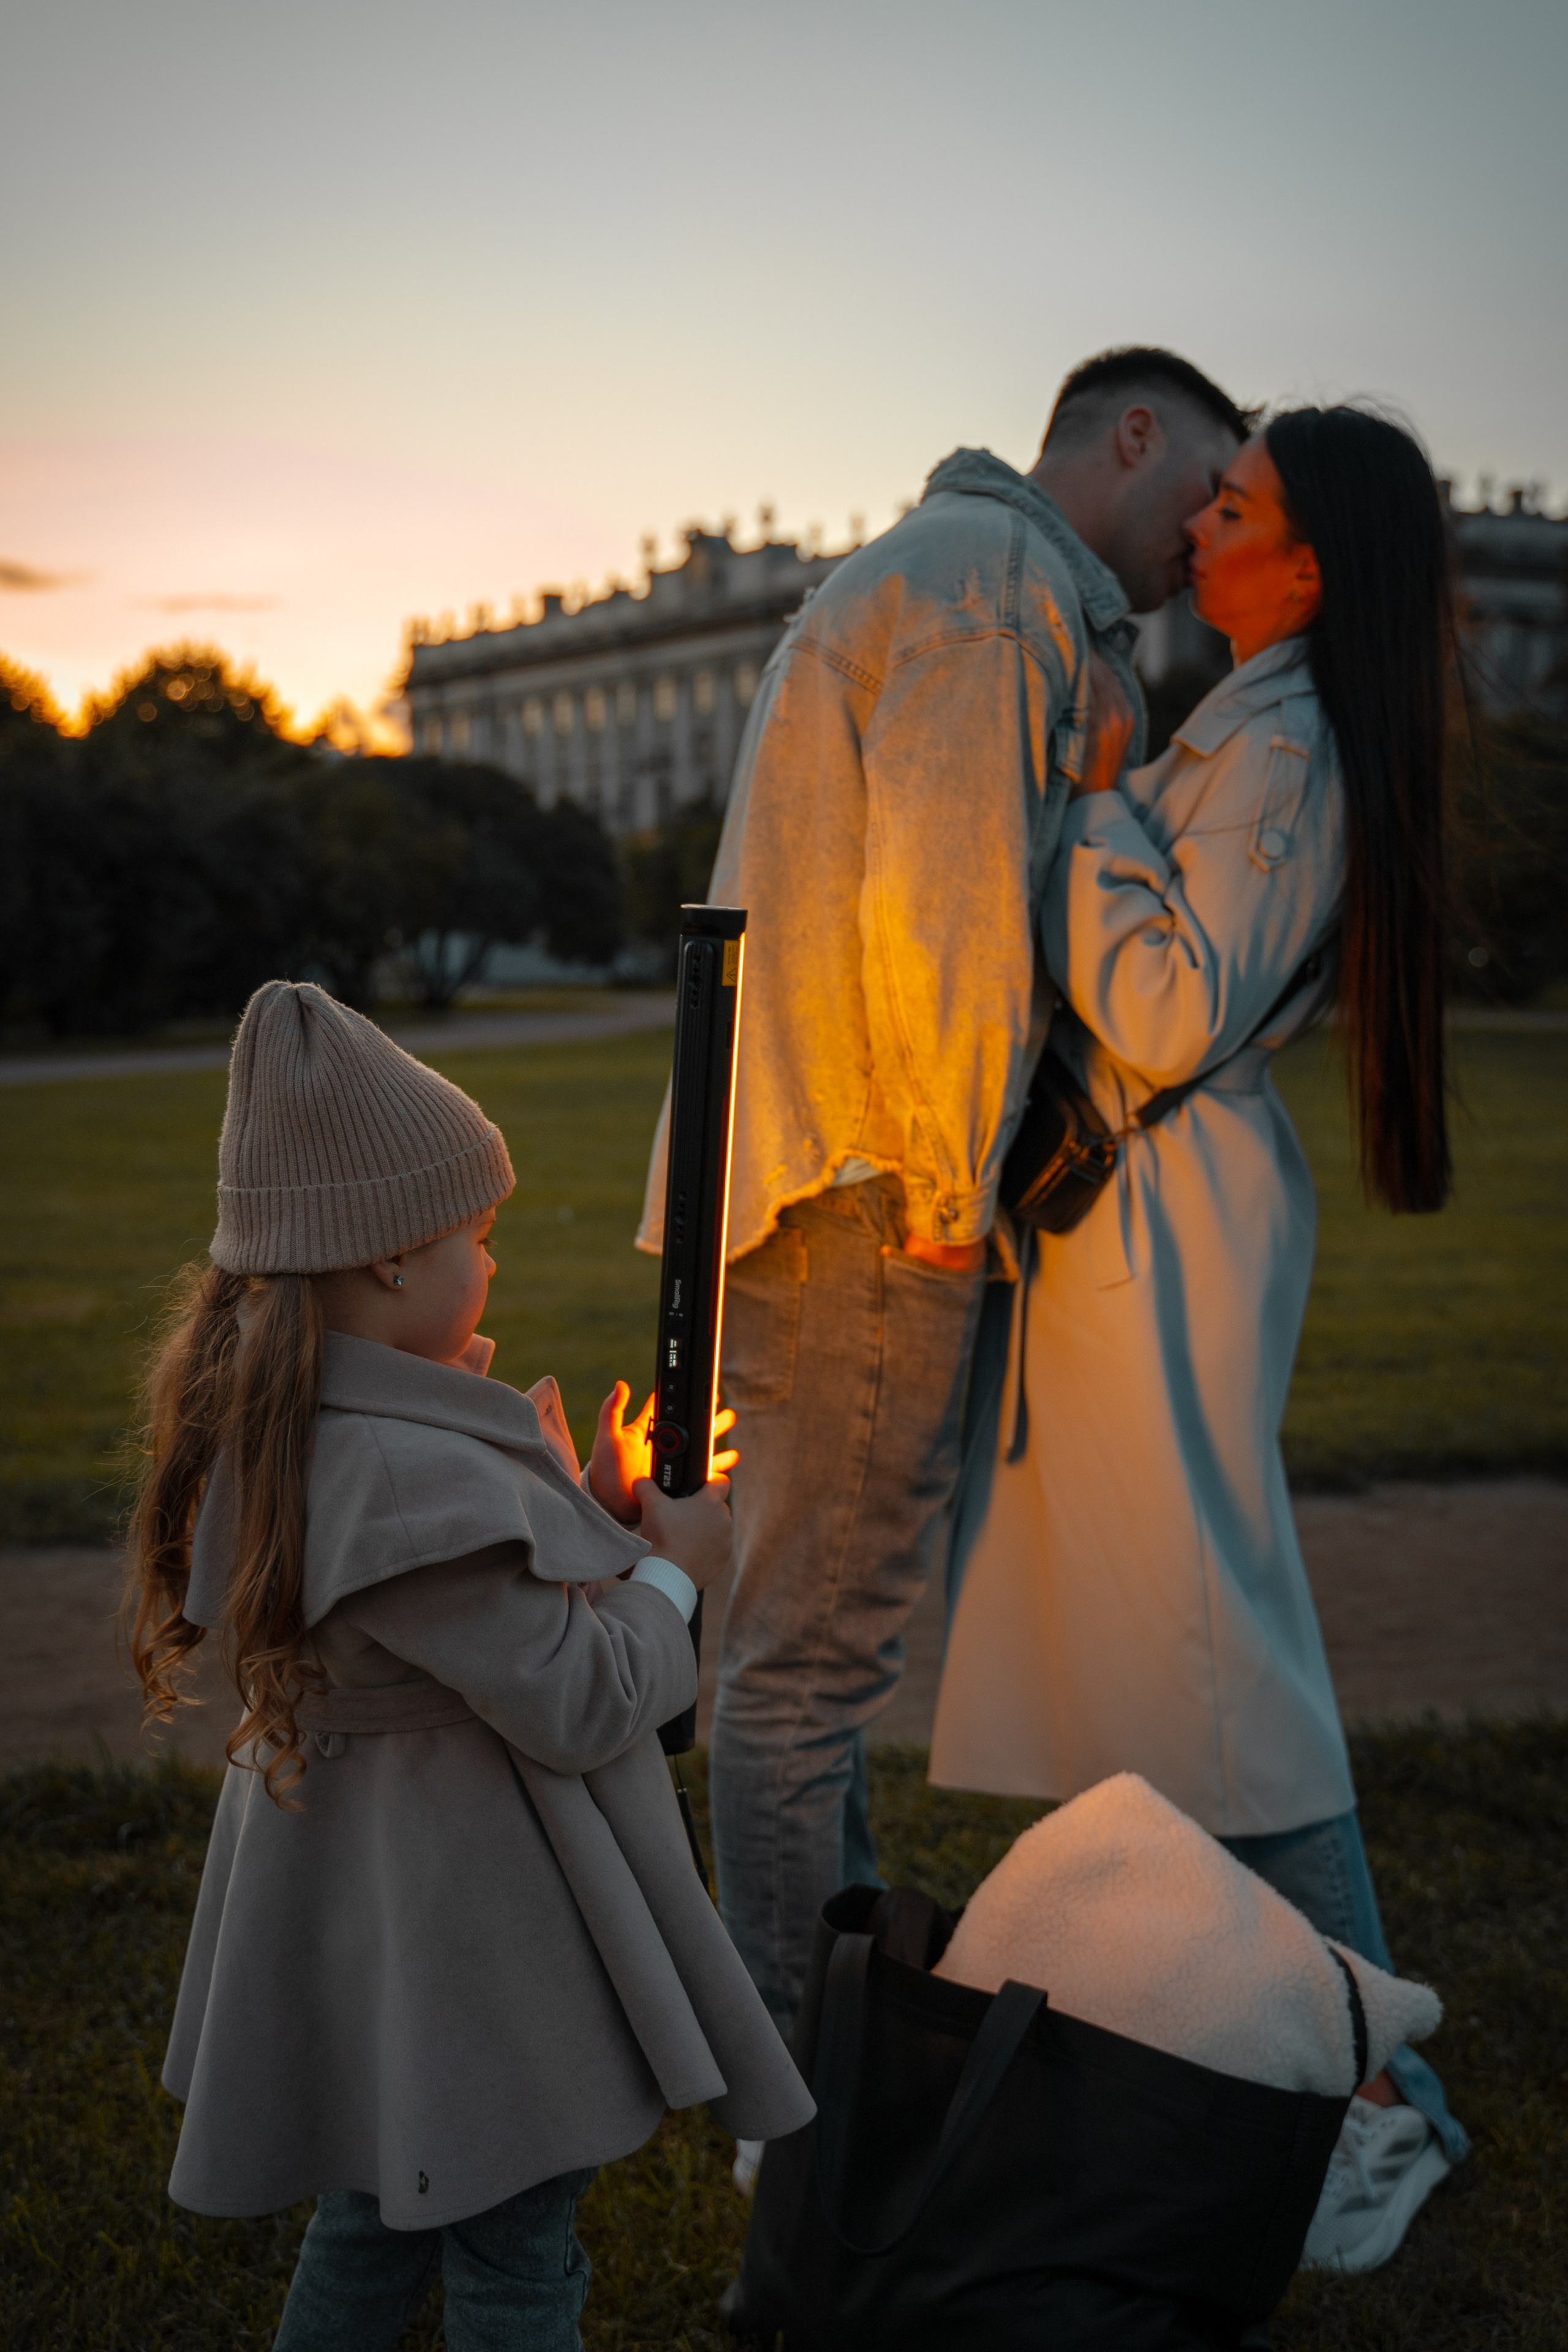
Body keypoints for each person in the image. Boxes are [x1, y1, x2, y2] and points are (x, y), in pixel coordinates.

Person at [636, 347, 1251, 2052]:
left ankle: (827, 2017)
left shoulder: (947, 574)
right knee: (807, 1666)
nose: (1211, 537)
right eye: (1209, 488)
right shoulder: (991, 595)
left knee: (794, 1648)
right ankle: (793, 2091)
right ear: (1134, 435)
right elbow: (950, 906)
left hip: (817, 1170)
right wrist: (944, 1185)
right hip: (874, 1186)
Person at [931, 405, 1468, 2271]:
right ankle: (1236, 2054)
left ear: (1308, 568)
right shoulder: (1257, 727)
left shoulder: (1289, 750)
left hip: (1167, 1219)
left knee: (1214, 1666)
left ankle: (1381, 2108)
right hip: (1133, 1223)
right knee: (1157, 1655)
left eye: (1236, 507)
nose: (1200, 526)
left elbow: (1162, 1007)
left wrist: (1083, 797)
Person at [130, 981, 811, 2352]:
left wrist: (591, 1511)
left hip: (394, 1909)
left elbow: (487, 1616)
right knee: (510, 2244)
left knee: (380, 2221)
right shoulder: (393, 1480)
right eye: (476, 1237)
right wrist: (680, 1569)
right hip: (472, 1938)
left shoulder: (326, 1429)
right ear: (388, 1259)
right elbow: (578, 1697)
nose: (489, 1266)